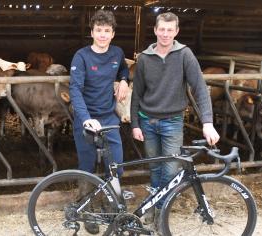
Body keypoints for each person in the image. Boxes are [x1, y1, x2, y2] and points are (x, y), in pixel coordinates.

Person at [130, 12, 220, 229]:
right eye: (162, 29)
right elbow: (137, 94)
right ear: (155, 30)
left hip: (172, 121)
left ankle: (159, 212)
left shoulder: (184, 55)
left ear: (176, 32)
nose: (165, 34)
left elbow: (199, 87)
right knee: (154, 168)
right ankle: (155, 209)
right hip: (147, 121)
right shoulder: (144, 58)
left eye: (170, 30)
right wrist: (134, 123)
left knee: (170, 170)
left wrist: (207, 121)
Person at [69, 9, 130, 234]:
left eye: (107, 31)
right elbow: (75, 88)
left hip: (109, 119)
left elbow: (124, 68)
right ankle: (86, 210)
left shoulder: (117, 53)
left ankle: (112, 206)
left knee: (115, 165)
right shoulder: (82, 56)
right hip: (86, 119)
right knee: (87, 167)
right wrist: (85, 119)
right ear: (92, 32)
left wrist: (124, 79)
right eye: (98, 31)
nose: (102, 35)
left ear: (112, 34)